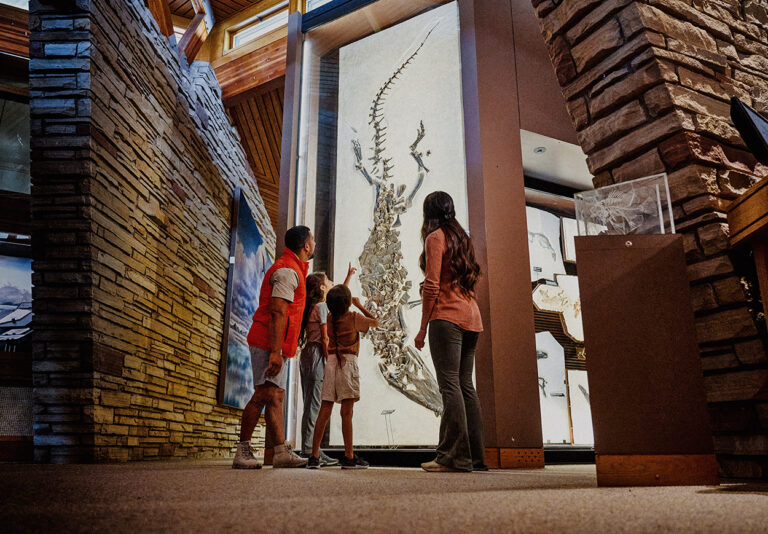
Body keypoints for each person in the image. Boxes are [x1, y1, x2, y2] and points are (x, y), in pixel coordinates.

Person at [414, 191, 486, 473]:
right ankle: (475, 457)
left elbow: (432, 286)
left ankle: (452, 457)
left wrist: (422, 328)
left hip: (446, 318)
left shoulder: (435, 238)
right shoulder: (462, 238)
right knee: (466, 386)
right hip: (472, 318)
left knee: (450, 386)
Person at [232, 225, 315, 469]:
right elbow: (278, 311)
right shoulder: (288, 271)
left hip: (277, 345)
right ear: (306, 245)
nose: (314, 244)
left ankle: (280, 452)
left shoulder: (293, 269)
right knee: (263, 395)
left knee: (276, 396)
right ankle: (242, 451)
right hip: (268, 344)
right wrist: (276, 352)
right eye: (312, 240)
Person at [306, 285, 378, 469]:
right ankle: (348, 456)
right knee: (347, 412)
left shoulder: (330, 319)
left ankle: (313, 456)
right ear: (347, 304)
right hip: (348, 362)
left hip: (331, 362)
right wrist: (359, 305)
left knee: (325, 408)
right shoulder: (353, 318)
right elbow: (375, 322)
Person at [297, 263, 357, 465]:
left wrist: (348, 278)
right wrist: (331, 359)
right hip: (318, 355)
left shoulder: (317, 306)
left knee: (311, 402)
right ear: (322, 288)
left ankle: (310, 448)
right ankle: (310, 451)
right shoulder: (322, 307)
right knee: (315, 405)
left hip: (308, 355)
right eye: (328, 281)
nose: (332, 282)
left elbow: (339, 297)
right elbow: (324, 337)